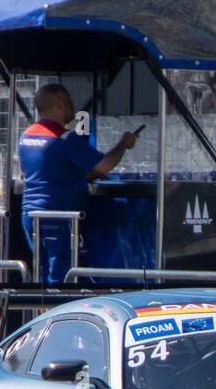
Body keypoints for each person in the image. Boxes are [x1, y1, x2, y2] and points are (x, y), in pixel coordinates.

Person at [18, 83, 138, 285]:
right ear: (60, 104)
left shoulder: (27, 136)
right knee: (60, 276)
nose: (73, 109)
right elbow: (104, 166)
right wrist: (124, 144)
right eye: (70, 103)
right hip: (57, 217)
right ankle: (55, 313)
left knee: (41, 271)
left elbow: (51, 171)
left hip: (30, 215)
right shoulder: (65, 139)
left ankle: (41, 310)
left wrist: (82, 177)